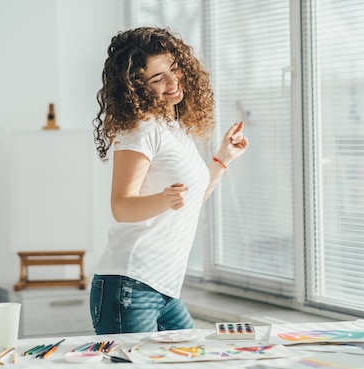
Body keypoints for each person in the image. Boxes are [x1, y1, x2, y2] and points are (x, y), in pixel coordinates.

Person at [90, 26, 249, 334]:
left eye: (174, 69)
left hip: (162, 289)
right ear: (136, 87)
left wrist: (223, 158)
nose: (173, 82)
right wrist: (162, 199)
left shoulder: (170, 127)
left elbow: (187, 200)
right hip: (131, 288)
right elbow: (121, 206)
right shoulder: (140, 129)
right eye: (157, 78)